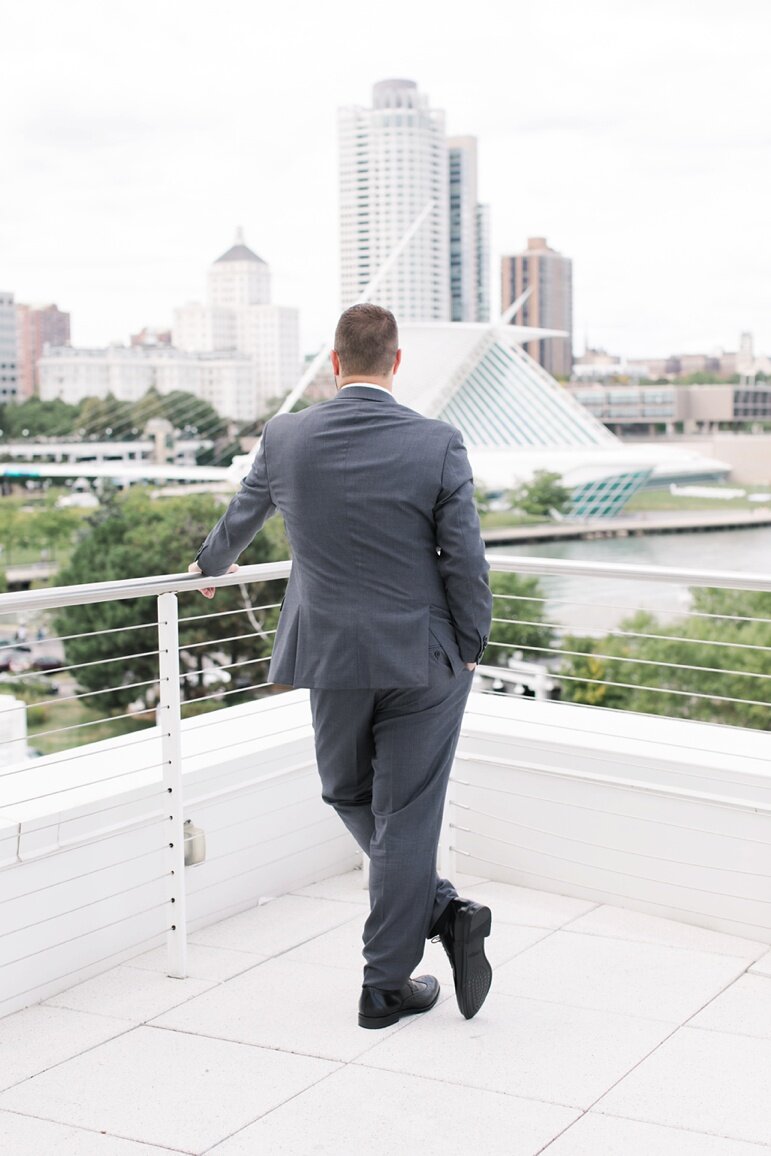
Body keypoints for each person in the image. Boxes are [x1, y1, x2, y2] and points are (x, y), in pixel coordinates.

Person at [189, 304, 494, 1028]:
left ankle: (384, 984)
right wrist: (471, 646)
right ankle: (446, 913)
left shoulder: (287, 436)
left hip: (331, 653)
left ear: (334, 362)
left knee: (357, 796)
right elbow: (465, 560)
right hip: (424, 657)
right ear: (395, 362)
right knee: (390, 811)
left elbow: (244, 512)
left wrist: (209, 566)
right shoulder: (436, 441)